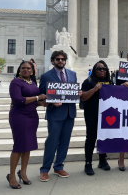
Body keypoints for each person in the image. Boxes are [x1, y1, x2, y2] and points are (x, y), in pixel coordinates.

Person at [39, 50, 83, 182]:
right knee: (51, 143)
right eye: (57, 59)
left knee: (65, 142)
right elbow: (41, 97)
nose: (60, 61)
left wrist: (78, 94)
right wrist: (51, 102)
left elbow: (71, 92)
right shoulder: (46, 76)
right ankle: (44, 169)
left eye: (63, 59)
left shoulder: (72, 74)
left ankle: (58, 166)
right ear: (53, 61)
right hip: (55, 113)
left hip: (69, 113)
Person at [7, 61, 47, 189]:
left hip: (32, 117)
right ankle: (12, 176)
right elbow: (18, 100)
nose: (26, 70)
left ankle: (23, 173)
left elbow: (33, 101)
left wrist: (41, 103)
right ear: (19, 70)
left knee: (27, 145)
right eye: (23, 68)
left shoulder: (33, 82)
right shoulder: (16, 82)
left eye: (28, 68)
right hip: (19, 116)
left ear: (32, 70)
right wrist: (37, 98)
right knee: (19, 146)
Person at [81, 60, 113, 175]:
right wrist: (94, 89)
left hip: (106, 115)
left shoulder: (109, 82)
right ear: (94, 70)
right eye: (99, 68)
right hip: (91, 113)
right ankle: (88, 163)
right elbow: (83, 97)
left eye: (104, 68)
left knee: (103, 137)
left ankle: (102, 160)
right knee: (91, 138)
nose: (102, 70)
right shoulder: (88, 81)